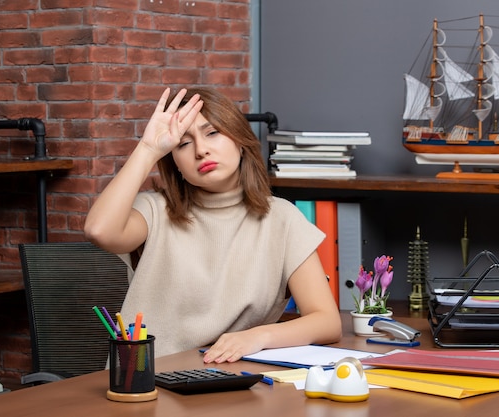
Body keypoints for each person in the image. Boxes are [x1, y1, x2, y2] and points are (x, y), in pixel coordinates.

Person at [84, 87, 342, 363]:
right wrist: (148, 150)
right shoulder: (155, 210)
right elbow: (99, 231)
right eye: (183, 144)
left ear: (240, 141)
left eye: (212, 133)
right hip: (145, 383)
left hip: (227, 380)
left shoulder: (282, 218)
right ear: (176, 165)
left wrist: (257, 337)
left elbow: (326, 322)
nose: (201, 150)